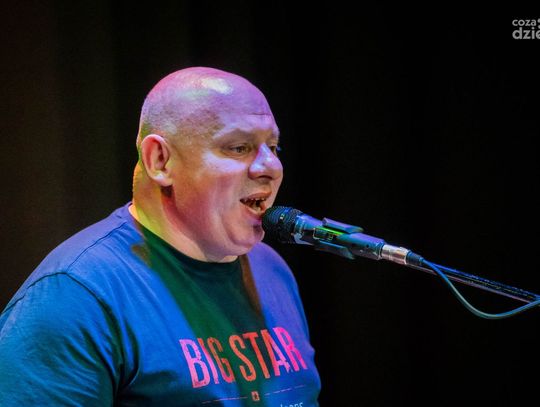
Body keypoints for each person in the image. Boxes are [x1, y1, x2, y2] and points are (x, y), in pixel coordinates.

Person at [0, 67, 321, 406]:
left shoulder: (271, 269)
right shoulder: (75, 295)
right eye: (240, 147)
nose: (270, 167)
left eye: (273, 147)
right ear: (160, 160)